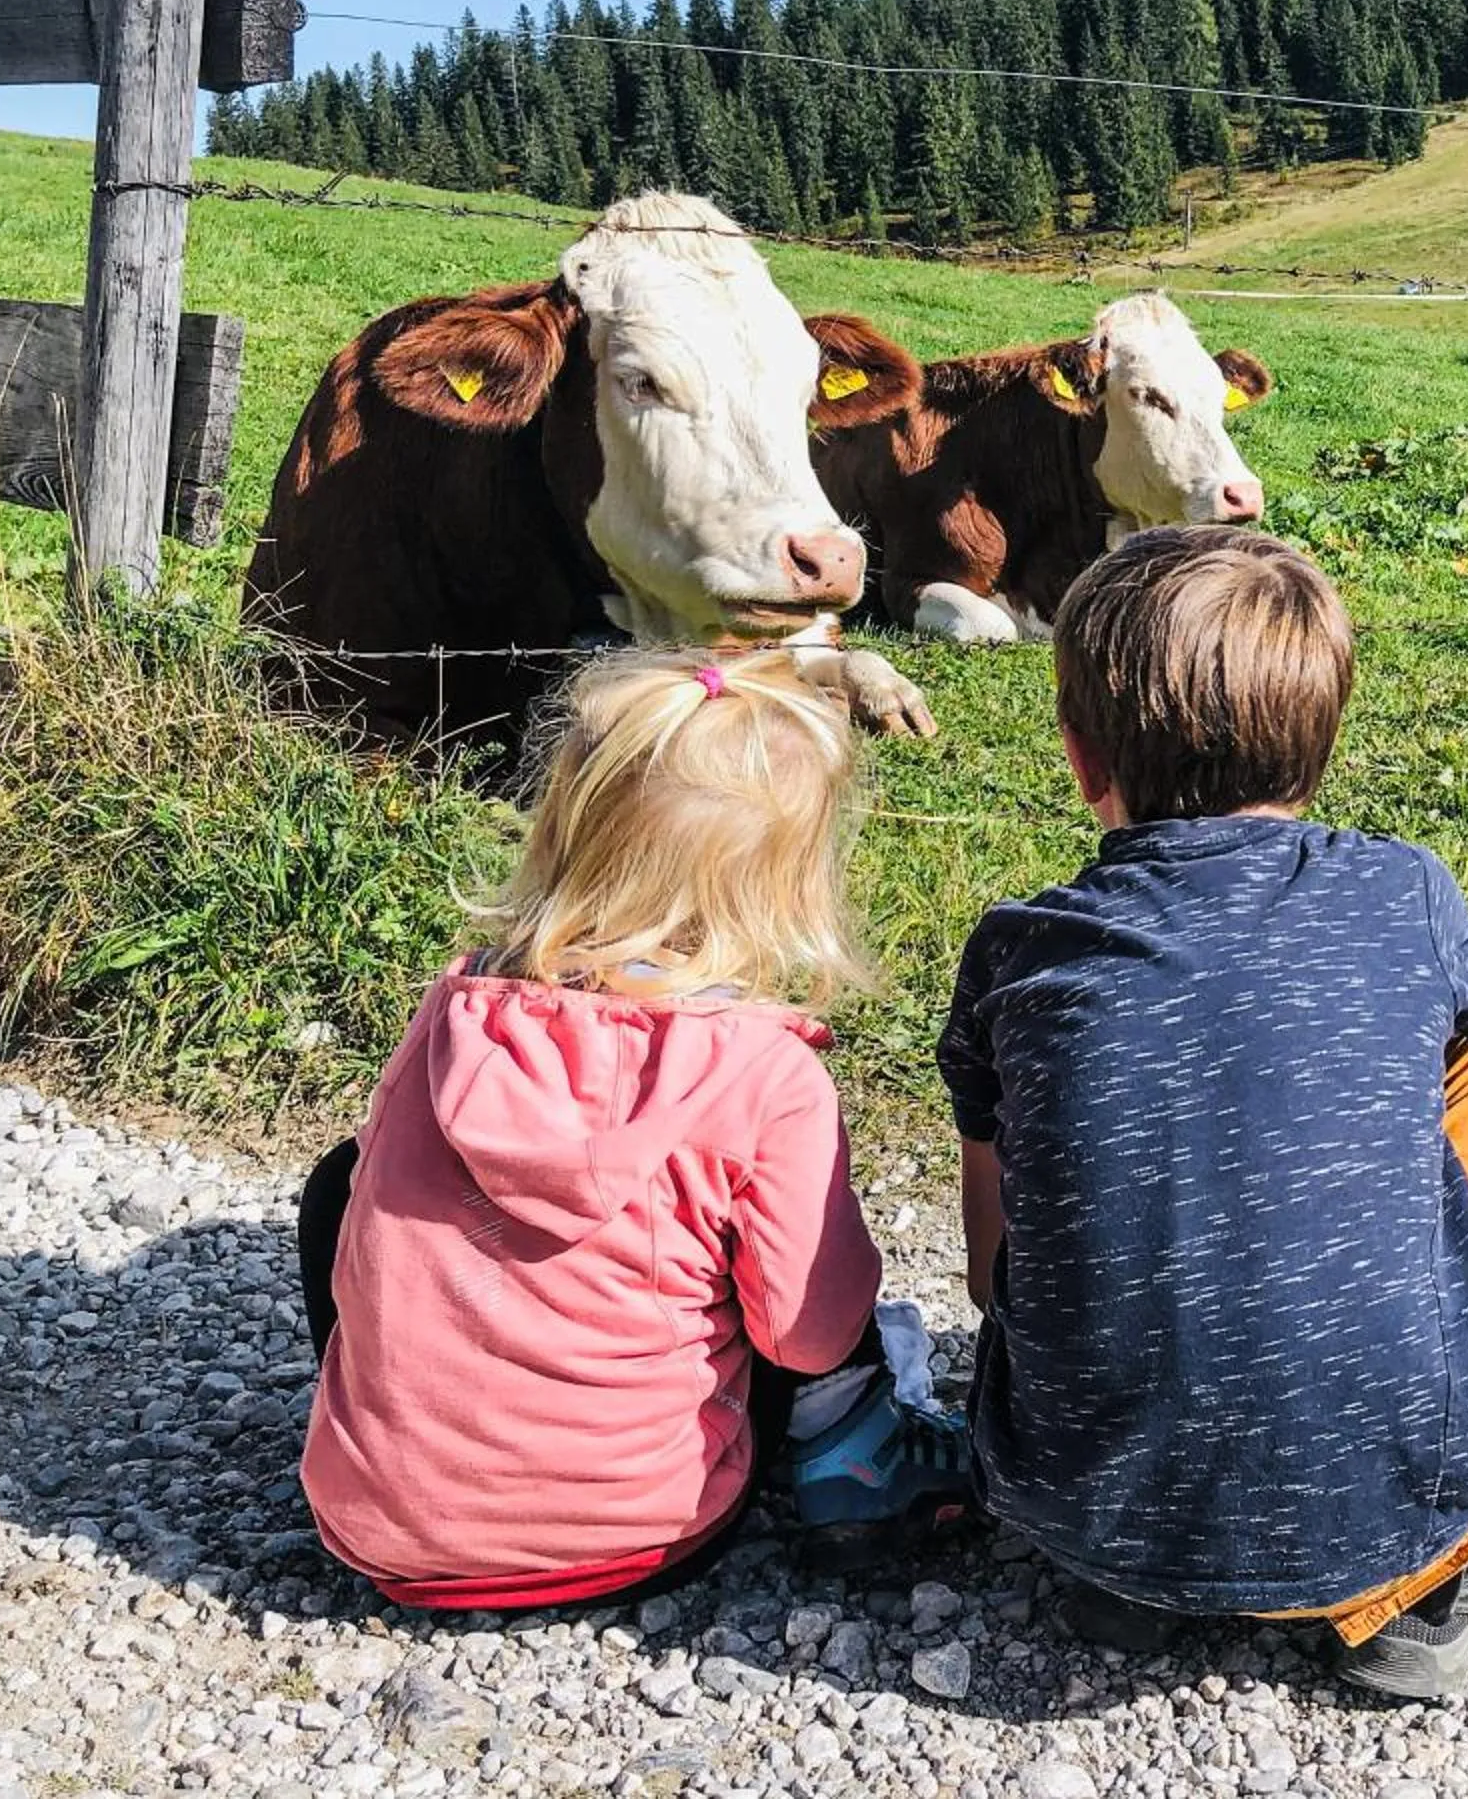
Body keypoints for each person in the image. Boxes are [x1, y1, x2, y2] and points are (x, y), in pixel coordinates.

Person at [937, 526, 1468, 1699]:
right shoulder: (1405, 888)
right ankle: (1442, 1569)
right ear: (1322, 741)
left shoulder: (1021, 948)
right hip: (1385, 1520)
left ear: (1075, 754)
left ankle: (1141, 1573)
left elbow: (987, 1268)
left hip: (1075, 1510)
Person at [298, 650, 975, 1611]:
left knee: (345, 1182)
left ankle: (407, 1443)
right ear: (790, 886)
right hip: (643, 1533)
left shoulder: (451, 1014)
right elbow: (809, 1335)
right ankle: (862, 1469)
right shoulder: (766, 1072)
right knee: (799, 1275)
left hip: (380, 1536)